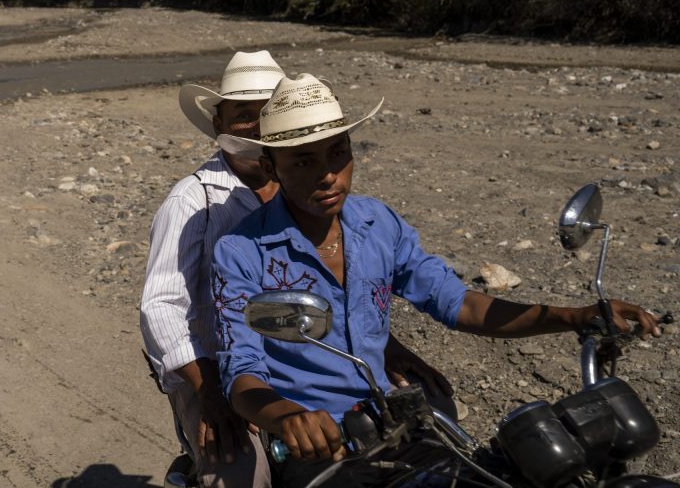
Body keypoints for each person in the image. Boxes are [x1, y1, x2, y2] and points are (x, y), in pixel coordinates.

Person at [212, 73, 662, 486]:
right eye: (304, 162)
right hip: (317, 446)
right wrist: (290, 417)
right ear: (271, 168)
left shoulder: (377, 224)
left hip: (395, 423)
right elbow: (242, 375)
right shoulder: (242, 252)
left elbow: (460, 304)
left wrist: (573, 315)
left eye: (338, 153)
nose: (329, 174)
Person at [140, 55, 451, 488]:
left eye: (267, 111)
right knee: (238, 473)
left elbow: (337, 284)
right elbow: (162, 308)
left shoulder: (303, 184)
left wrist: (385, 345)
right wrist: (211, 391)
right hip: (214, 367)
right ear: (218, 122)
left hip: (300, 355)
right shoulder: (194, 202)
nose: (258, 123)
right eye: (243, 115)